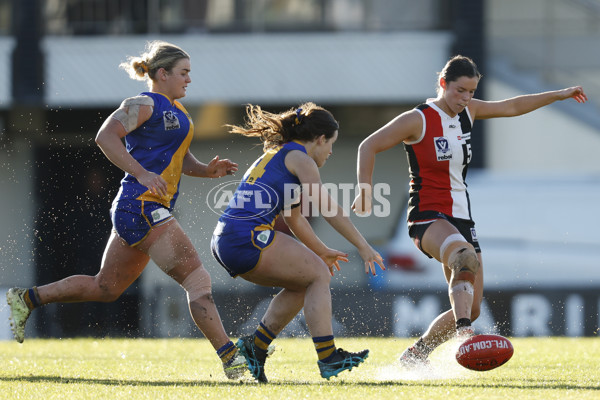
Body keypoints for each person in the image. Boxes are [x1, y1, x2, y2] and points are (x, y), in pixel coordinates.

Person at [6, 40, 246, 379]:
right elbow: (105, 137)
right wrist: (141, 173)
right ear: (162, 74)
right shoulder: (143, 103)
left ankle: (27, 299)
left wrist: (207, 169)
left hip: (142, 208)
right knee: (197, 278)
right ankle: (233, 360)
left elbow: (178, 158)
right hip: (141, 206)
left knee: (105, 287)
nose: (189, 79)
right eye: (184, 73)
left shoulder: (180, 111)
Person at [351, 55, 587, 368]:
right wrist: (364, 189)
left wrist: (557, 94)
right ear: (442, 84)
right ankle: (465, 334)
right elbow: (368, 145)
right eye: (459, 90)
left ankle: (417, 355)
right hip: (427, 215)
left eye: (471, 92)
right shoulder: (418, 118)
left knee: (473, 305)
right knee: (464, 257)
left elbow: (512, 106)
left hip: (462, 218)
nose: (465, 98)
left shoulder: (469, 112)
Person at [211, 102, 386, 382]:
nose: (331, 152)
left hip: (228, 238)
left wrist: (322, 250)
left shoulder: (279, 155)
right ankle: (328, 357)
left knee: (306, 280)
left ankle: (255, 348)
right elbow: (327, 207)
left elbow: (294, 218)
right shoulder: (300, 158)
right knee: (317, 274)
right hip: (246, 237)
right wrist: (363, 247)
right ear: (319, 139)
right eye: (331, 144)